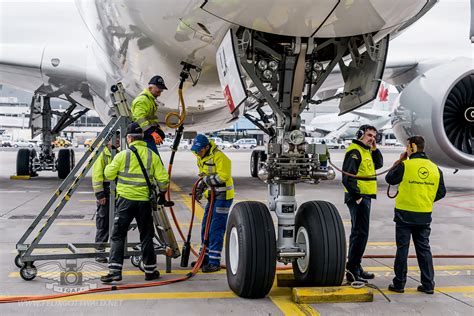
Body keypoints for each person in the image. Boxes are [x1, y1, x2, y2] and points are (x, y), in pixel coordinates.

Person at [100, 122, 170, 283]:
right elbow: (163, 179)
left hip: (125, 202)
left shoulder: (122, 155)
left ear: (129, 138)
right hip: (144, 202)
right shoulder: (152, 155)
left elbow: (108, 174)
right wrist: (162, 193)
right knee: (146, 236)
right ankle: (150, 271)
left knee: (118, 235)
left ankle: (115, 271)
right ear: (143, 138)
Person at [386, 135, 446, 294]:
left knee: (402, 250)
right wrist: (425, 198)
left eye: (407, 146)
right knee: (424, 250)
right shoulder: (435, 168)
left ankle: (399, 284)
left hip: (404, 216)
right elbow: (441, 192)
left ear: (411, 147)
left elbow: (389, 178)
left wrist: (400, 160)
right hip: (424, 216)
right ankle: (428, 285)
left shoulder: (405, 165)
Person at [342, 125, 383, 283]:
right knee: (360, 234)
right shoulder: (355, 151)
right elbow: (347, 176)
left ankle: (356, 267)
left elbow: (378, 164)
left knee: (360, 233)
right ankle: (353, 271)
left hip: (365, 197)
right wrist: (357, 196)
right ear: (360, 135)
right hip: (359, 198)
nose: (372, 138)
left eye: (374, 136)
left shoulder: (366, 150)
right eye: (369, 135)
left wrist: (374, 148)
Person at [191, 134, 234, 273]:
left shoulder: (219, 156)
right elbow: (204, 174)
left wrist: (205, 181)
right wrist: (200, 188)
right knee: (206, 226)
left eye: (200, 150)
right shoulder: (200, 155)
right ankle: (205, 257)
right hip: (212, 196)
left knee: (216, 228)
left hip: (223, 196)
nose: (198, 153)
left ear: (207, 147)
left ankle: (214, 262)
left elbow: (223, 176)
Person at [91, 134, 120, 263]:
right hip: (106, 193)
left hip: (116, 193)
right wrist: (100, 194)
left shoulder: (118, 153)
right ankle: (99, 252)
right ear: (109, 141)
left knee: (116, 223)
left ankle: (116, 250)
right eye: (117, 139)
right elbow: (97, 176)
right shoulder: (102, 154)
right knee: (103, 223)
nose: (119, 141)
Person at [131, 75, 168, 155]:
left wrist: (158, 129)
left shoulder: (149, 100)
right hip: (142, 137)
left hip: (147, 135)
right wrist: (152, 132)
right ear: (150, 88)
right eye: (158, 91)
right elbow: (140, 118)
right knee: (154, 161)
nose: (159, 94)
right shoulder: (142, 100)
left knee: (154, 160)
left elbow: (151, 119)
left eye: (161, 92)